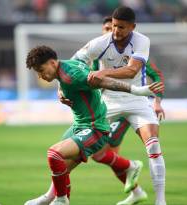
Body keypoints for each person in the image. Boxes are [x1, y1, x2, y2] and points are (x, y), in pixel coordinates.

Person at [24, 45, 163, 205]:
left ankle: (61, 200)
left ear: (53, 63)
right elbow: (80, 68)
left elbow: (102, 81)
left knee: (54, 154)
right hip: (79, 125)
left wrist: (136, 90)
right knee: (61, 167)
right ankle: (52, 198)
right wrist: (60, 89)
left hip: (94, 128)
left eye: (41, 70)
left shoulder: (72, 75)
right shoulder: (67, 65)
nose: (41, 76)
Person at [59, 15, 166, 205]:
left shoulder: (140, 45)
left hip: (136, 102)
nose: (114, 31)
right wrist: (62, 88)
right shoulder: (98, 48)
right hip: (107, 104)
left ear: (132, 27)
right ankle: (135, 189)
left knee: (150, 146)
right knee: (85, 151)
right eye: (111, 27)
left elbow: (144, 73)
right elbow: (70, 67)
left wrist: (157, 101)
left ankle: (160, 201)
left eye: (119, 27)